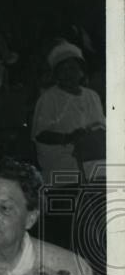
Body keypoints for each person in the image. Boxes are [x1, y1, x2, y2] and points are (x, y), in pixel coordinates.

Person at [31, 40, 105, 186]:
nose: (68, 74)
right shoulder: (48, 98)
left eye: (72, 68)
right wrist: (69, 137)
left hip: (93, 158)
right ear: (56, 75)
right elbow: (40, 134)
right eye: (62, 70)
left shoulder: (92, 95)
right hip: (63, 162)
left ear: (81, 72)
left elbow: (102, 125)